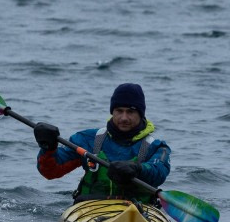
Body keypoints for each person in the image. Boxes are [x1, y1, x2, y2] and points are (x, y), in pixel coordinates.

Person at [34, 83, 171, 204]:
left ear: (141, 114)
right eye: (119, 111)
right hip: (90, 207)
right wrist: (48, 147)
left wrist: (137, 168)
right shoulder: (88, 140)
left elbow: (159, 172)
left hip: (137, 210)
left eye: (130, 112)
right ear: (112, 112)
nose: (124, 118)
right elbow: (51, 171)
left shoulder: (156, 147)